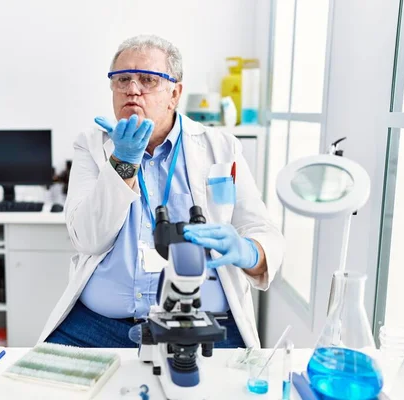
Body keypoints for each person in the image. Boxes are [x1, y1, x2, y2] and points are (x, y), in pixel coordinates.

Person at [39, 34, 285, 349]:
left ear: (175, 93)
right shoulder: (91, 145)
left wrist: (250, 250)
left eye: (147, 79)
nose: (132, 89)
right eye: (122, 79)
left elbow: (264, 231)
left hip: (201, 323)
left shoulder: (221, 147)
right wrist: (122, 162)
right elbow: (88, 238)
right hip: (99, 327)